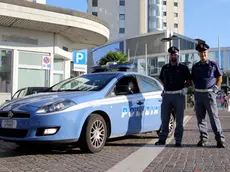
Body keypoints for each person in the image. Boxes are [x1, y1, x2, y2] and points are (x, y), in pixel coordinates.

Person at [155, 46, 191, 147]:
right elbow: (161, 79)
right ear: (169, 55)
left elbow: (189, 81)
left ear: (178, 55)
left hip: (178, 95)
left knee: (179, 119)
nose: (173, 56)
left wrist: (186, 88)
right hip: (167, 95)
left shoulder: (183, 68)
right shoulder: (165, 68)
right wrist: (165, 87)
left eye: (175, 54)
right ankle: (162, 139)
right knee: (164, 118)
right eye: (171, 54)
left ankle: (178, 140)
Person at [191, 42, 225, 148]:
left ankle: (220, 140)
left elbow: (219, 77)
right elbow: (193, 79)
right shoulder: (195, 66)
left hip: (210, 94)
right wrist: (194, 91)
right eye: (201, 53)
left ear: (207, 52)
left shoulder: (213, 65)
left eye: (204, 52)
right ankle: (203, 139)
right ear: (198, 54)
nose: (203, 54)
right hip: (199, 94)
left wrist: (216, 87)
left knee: (213, 117)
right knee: (200, 118)